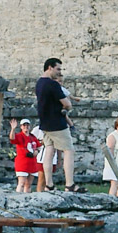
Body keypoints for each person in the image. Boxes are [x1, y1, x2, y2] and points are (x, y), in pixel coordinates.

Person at [35, 57, 81, 192]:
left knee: (49, 150)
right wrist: (65, 109)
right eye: (58, 69)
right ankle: (69, 184)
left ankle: (49, 184)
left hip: (44, 122)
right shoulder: (53, 84)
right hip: (57, 122)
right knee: (69, 150)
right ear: (50, 67)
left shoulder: (39, 83)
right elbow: (67, 104)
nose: (59, 72)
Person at [10, 118, 42, 192]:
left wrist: (37, 151)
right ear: (21, 127)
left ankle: (26, 199)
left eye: (27, 125)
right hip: (22, 163)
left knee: (28, 184)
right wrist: (13, 129)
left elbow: (39, 146)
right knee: (21, 183)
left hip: (32, 163)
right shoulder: (19, 136)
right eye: (24, 125)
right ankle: (18, 198)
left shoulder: (33, 137)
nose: (26, 127)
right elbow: (12, 138)